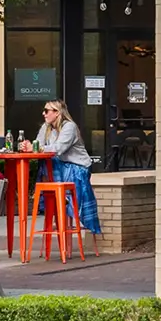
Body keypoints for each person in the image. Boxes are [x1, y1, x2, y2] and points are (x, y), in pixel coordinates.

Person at [35, 99, 101, 235]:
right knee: (47, 164)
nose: (44, 114)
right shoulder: (45, 127)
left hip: (78, 167)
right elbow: (38, 146)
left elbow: (58, 149)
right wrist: (31, 147)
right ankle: (56, 205)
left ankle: (61, 205)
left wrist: (38, 148)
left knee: (53, 163)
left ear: (57, 113)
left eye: (47, 111)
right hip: (60, 166)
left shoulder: (69, 127)